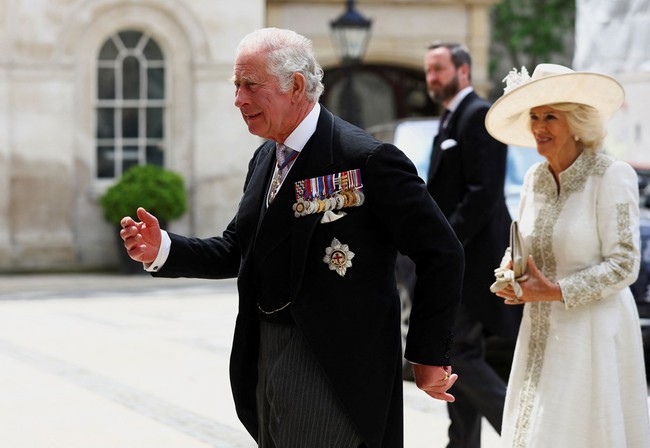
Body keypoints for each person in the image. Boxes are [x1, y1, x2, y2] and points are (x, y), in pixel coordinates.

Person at [119, 28, 465, 448]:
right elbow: (240, 248)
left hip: (335, 364)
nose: (239, 99)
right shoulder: (266, 156)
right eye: (236, 85)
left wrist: (428, 353)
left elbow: (441, 252)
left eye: (250, 85)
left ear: (296, 86)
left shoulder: (366, 159)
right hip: (266, 352)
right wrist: (164, 250)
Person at [486, 63, 650, 447]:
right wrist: (512, 271)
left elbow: (625, 264)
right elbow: (523, 244)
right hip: (539, 328)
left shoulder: (611, 175)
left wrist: (556, 290)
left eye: (550, 117)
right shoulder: (534, 179)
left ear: (575, 121)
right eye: (534, 116)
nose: (539, 126)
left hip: (593, 333)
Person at [423, 42, 522, 447]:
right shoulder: (449, 118)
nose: (432, 78)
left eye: (439, 69)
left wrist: (445, 243)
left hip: (473, 258)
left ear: (463, 71)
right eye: (429, 70)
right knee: (454, 352)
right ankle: (461, 443)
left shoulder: (478, 114)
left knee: (460, 350)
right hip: (456, 260)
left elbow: (483, 193)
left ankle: (521, 433)